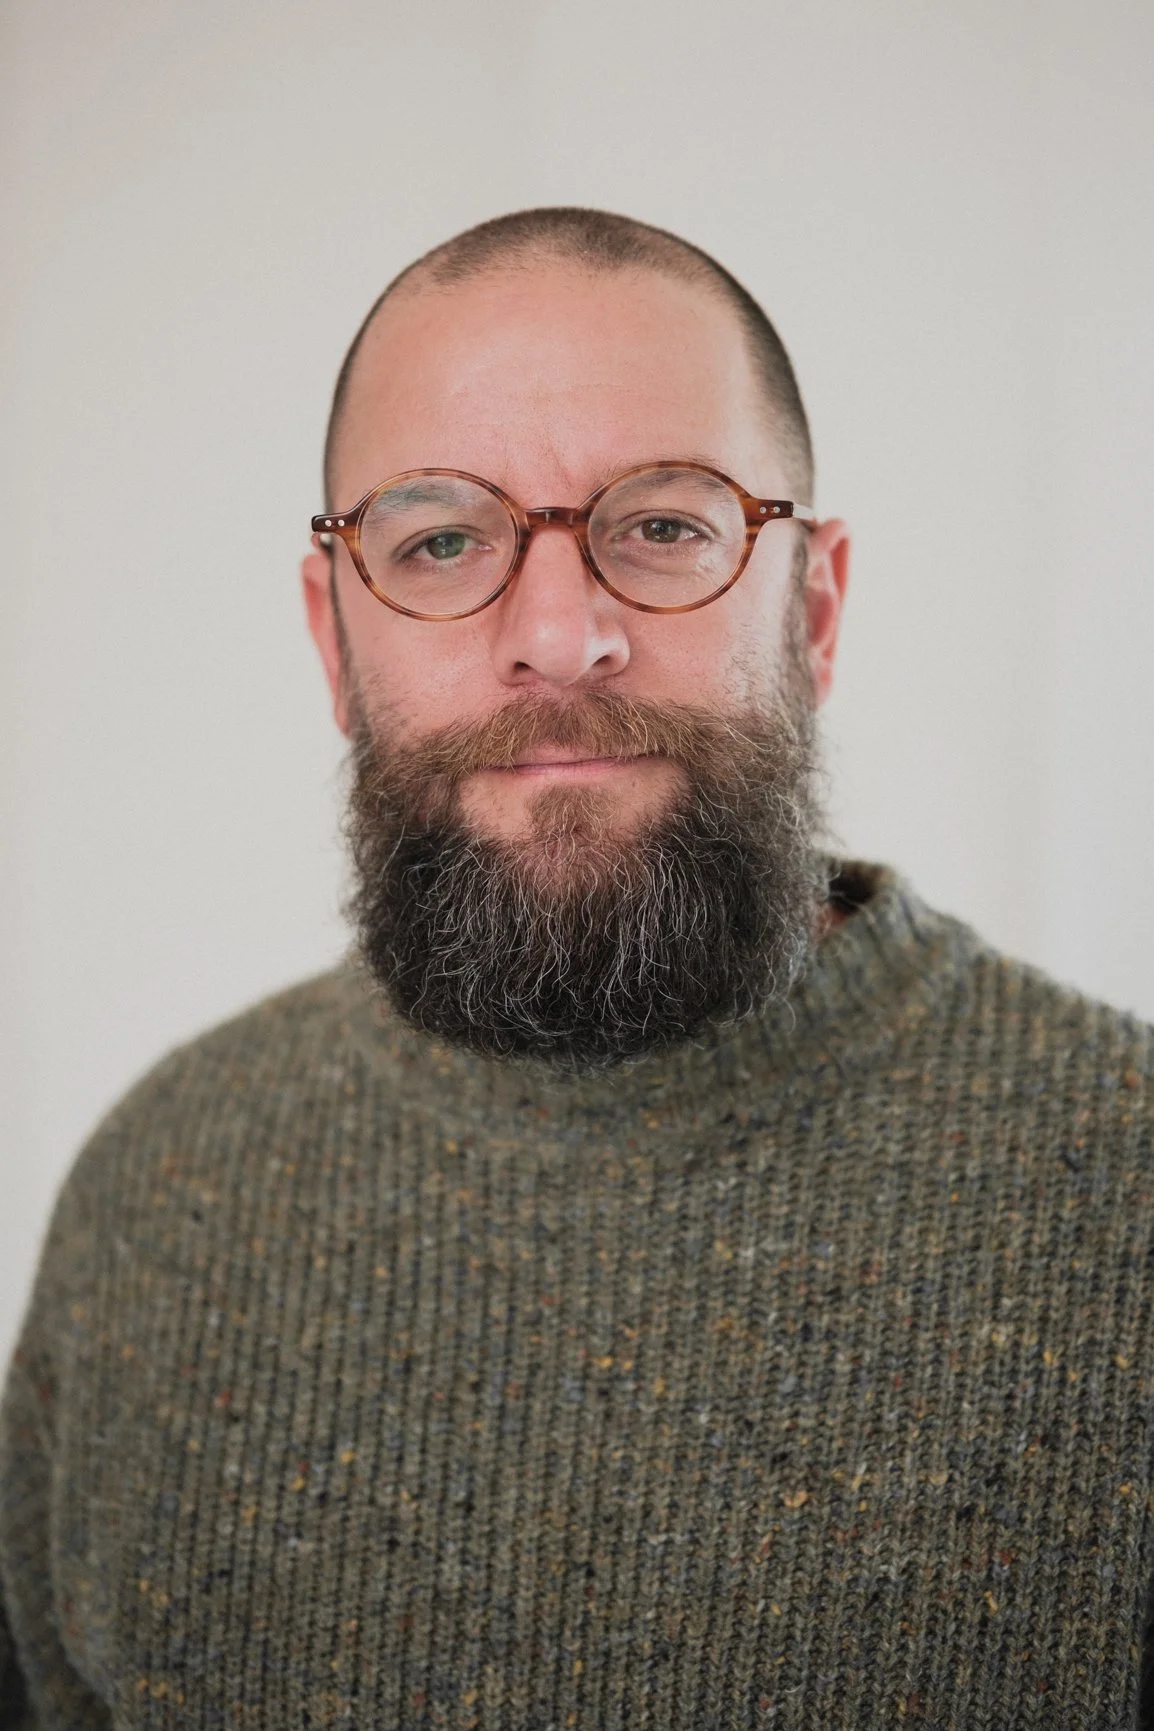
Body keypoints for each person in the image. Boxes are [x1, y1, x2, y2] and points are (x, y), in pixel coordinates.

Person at [1, 207, 1151, 1730]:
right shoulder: (160, 1191)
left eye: (666, 525)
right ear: (333, 643)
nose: (558, 634)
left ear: (812, 607)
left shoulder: (1121, 1182)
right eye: (440, 541)